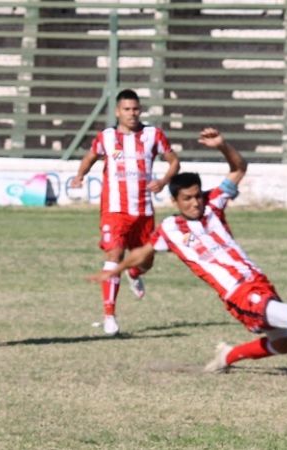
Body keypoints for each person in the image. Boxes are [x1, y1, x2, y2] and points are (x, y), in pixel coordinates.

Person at [88, 128, 287, 382]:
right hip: (239, 293)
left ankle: (227, 356)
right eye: (187, 198)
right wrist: (116, 269)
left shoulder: (214, 203)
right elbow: (142, 253)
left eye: (197, 195)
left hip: (258, 282)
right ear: (175, 201)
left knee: (283, 344)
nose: (195, 203)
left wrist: (223, 146)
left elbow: (239, 168)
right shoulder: (170, 229)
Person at [71, 89, 180, 336]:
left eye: (135, 109)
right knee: (115, 253)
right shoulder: (106, 137)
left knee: (146, 260)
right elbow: (90, 157)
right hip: (114, 210)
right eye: (127, 109)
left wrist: (163, 181)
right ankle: (109, 315)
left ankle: (134, 272)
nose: (132, 113)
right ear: (117, 112)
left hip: (143, 211)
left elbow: (174, 161)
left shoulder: (153, 135)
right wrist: (79, 176)